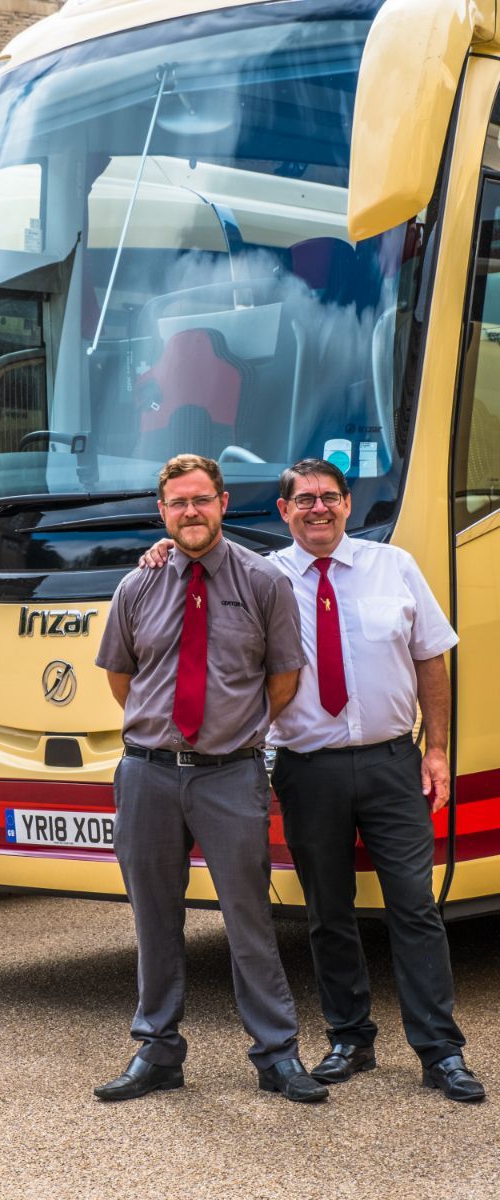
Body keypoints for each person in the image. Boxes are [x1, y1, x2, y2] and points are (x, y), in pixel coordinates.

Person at [141, 457, 485, 1103]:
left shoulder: (395, 566)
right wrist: (161, 550)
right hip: (307, 769)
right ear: (283, 512)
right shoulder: (263, 579)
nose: (316, 509)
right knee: (328, 914)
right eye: (302, 500)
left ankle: (440, 1052)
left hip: (391, 764)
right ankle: (349, 1038)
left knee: (415, 908)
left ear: (348, 504)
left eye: (328, 497)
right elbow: (200, 554)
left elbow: (431, 659)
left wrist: (436, 749)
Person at [94, 453, 328, 1104]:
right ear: (161, 513)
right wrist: (161, 732)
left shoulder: (263, 583)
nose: (190, 512)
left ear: (223, 503)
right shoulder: (136, 586)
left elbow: (285, 677)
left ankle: (277, 1055)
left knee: (249, 918)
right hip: (148, 775)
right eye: (178, 503)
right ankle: (159, 1052)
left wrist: (235, 728)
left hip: (230, 775)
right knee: (155, 919)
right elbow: (121, 676)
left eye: (201, 500)